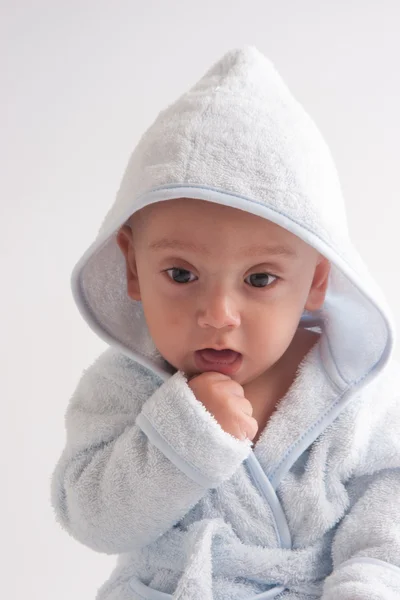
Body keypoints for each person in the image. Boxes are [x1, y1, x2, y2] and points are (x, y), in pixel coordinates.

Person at [50, 47, 400, 600]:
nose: (217, 315)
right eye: (181, 273)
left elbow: (388, 528)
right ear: (132, 267)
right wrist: (182, 437)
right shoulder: (121, 386)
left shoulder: (352, 394)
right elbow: (91, 517)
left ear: (315, 280)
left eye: (259, 280)